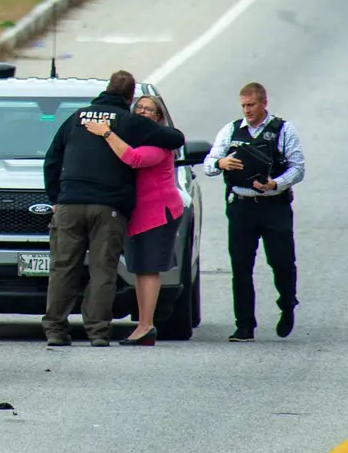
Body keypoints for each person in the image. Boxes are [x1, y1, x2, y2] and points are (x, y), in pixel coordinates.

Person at [41, 70, 185, 347]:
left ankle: (56, 330)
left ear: (107, 88)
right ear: (130, 97)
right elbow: (175, 139)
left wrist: (55, 197)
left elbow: (51, 158)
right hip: (108, 209)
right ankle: (97, 332)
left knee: (62, 269)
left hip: (69, 204)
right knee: (102, 270)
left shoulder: (75, 118)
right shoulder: (129, 122)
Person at [204, 82, 305, 341]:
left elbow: (298, 168)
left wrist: (276, 183)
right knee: (241, 266)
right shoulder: (231, 130)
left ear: (264, 104)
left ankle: (287, 303)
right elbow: (208, 165)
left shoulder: (283, 130)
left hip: (274, 205)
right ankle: (245, 325)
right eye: (244, 106)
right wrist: (221, 162)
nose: (247, 110)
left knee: (281, 262)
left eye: (251, 105)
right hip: (242, 206)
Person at [82, 94, 183, 346]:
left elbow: (134, 158)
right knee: (138, 268)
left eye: (149, 109)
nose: (142, 112)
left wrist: (106, 133)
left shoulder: (158, 140)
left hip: (158, 212)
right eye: (138, 107)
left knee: (148, 268)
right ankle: (142, 324)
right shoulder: (134, 135)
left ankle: (147, 326)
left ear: (158, 116)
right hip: (138, 214)